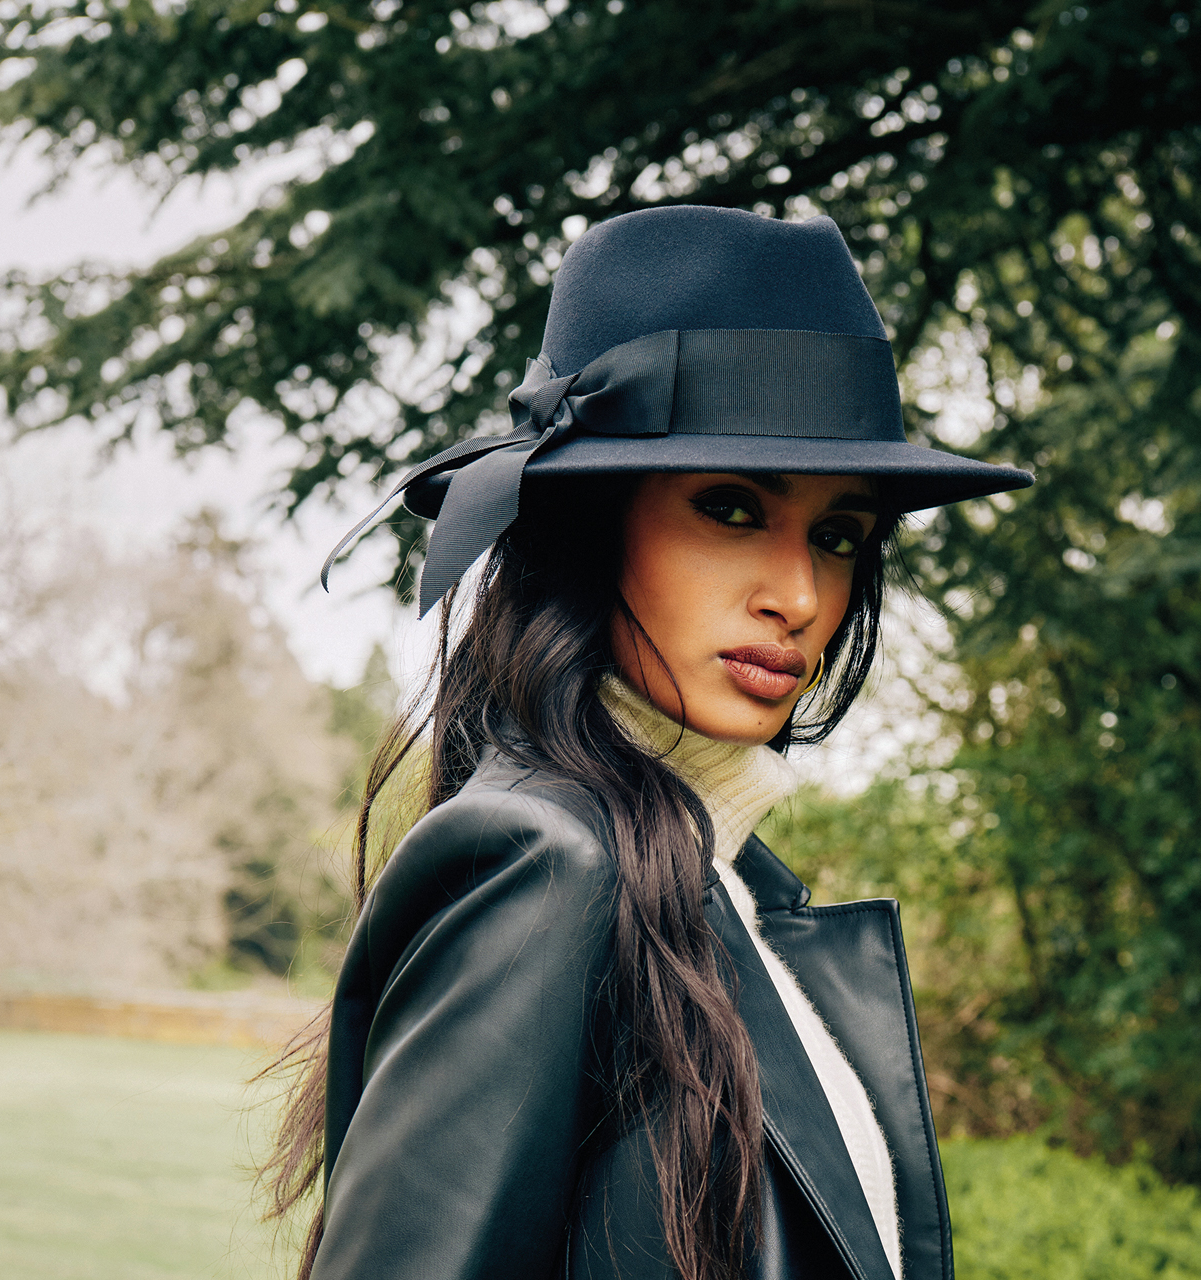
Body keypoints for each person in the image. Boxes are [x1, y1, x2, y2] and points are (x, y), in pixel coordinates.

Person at [263, 205, 1033, 1280]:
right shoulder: (544, 866)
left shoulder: (738, 887)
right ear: (591, 522)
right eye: (730, 507)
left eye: (840, 533)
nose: (801, 593)